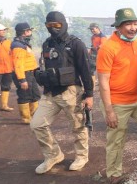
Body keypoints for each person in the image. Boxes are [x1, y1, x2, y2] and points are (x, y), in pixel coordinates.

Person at [97, 8, 137, 184]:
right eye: (128, 24)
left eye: (135, 23)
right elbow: (103, 82)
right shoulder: (108, 48)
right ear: (118, 26)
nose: (133, 28)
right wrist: (109, 110)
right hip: (117, 102)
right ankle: (114, 174)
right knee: (117, 137)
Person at [30, 11, 94, 174]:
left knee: (78, 126)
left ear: (64, 24)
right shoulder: (46, 44)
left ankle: (81, 156)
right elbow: (44, 66)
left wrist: (89, 94)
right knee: (37, 124)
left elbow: (86, 71)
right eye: (49, 26)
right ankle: (53, 155)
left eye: (57, 25)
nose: (53, 29)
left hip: (71, 92)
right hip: (50, 93)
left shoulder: (75, 44)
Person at [10, 23, 41, 124]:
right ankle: (26, 118)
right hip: (23, 74)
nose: (31, 33)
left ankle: (34, 116)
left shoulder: (23, 44)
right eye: (29, 31)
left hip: (30, 73)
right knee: (25, 95)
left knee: (35, 94)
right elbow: (18, 64)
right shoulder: (18, 46)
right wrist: (22, 80)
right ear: (25, 32)